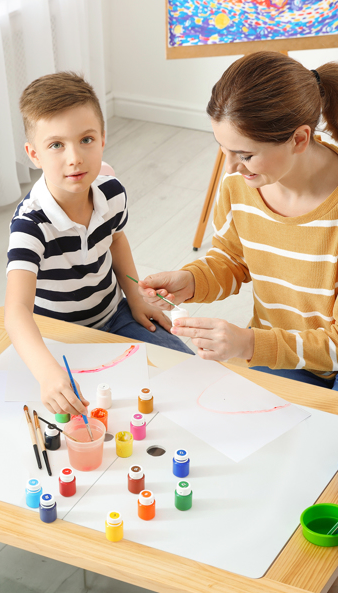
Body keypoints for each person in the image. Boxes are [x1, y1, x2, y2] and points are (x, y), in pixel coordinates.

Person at [138, 51, 338, 391]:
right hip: (280, 355)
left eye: (245, 155)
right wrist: (190, 281)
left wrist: (248, 344)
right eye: (223, 148)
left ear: (299, 139)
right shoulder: (241, 185)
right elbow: (232, 259)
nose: (230, 168)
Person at [4, 72, 192, 416]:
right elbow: (16, 312)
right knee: (88, 413)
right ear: (34, 154)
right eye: (56, 145)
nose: (74, 157)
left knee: (188, 371)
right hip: (62, 341)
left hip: (114, 316)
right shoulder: (29, 225)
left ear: (103, 139)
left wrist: (134, 296)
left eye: (86, 140)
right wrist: (48, 373)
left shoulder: (111, 191)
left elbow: (116, 239)